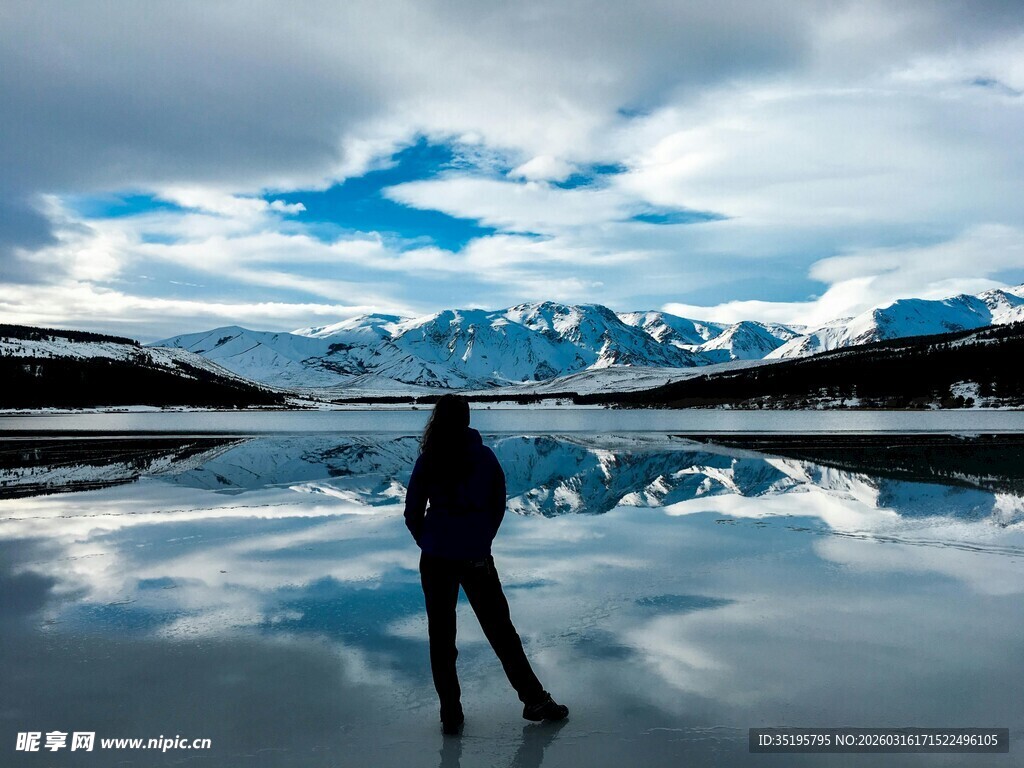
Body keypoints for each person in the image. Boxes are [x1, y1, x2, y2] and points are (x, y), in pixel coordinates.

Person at [404, 394, 569, 735]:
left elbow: (412, 511)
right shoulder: (484, 457)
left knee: (441, 637)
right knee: (501, 632)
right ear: (466, 419)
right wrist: (481, 539)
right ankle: (534, 699)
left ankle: (450, 714)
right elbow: (497, 505)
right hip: (475, 556)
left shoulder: (429, 458)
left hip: (435, 558)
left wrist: (429, 540)